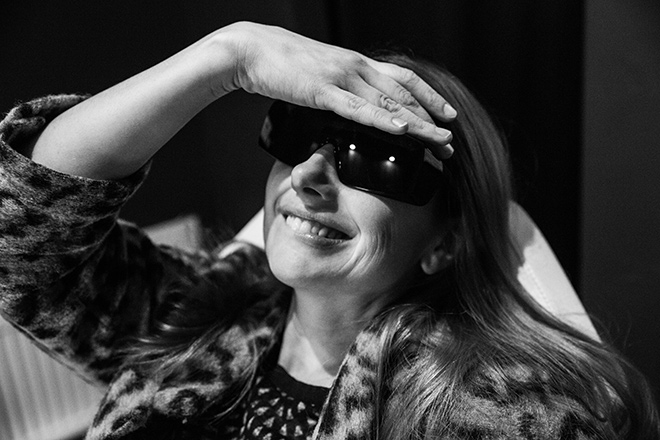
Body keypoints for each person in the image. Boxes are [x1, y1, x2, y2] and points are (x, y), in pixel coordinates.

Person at [0, 21, 657, 440]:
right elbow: (22, 231)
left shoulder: (508, 417)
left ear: (446, 241)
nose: (308, 174)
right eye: (296, 136)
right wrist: (228, 56)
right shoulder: (192, 317)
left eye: (375, 159)